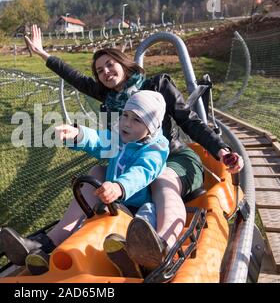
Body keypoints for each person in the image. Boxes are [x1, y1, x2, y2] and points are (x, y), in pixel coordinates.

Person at [18, 24, 244, 272]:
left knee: (161, 178)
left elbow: (189, 120)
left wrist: (220, 149)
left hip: (170, 157)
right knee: (94, 174)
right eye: (99, 70)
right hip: (131, 160)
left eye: (109, 64)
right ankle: (51, 240)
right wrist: (43, 55)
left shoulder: (157, 86)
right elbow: (79, 84)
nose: (105, 71)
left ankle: (163, 244)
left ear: (123, 63)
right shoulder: (108, 98)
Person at [0, 91, 169, 277]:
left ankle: (141, 257)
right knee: (94, 182)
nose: (127, 123)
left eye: (137, 120)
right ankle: (47, 246)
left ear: (152, 128)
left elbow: (143, 172)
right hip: (110, 203)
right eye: (125, 115)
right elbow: (97, 141)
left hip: (134, 207)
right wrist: (78, 134)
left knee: (147, 216)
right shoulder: (119, 139)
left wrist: (119, 187)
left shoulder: (155, 149)